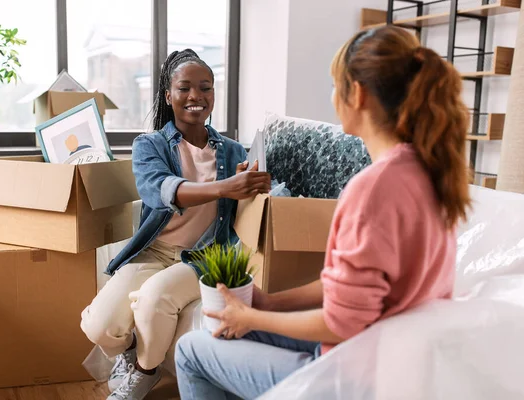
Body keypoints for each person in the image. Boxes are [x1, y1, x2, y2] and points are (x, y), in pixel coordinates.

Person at [175, 25, 471, 400]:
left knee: (191, 351)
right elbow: (348, 290)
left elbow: (344, 323)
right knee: (218, 336)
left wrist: (249, 317)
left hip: (352, 377)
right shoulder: (429, 171)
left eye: (336, 85)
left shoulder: (375, 188)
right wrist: (268, 304)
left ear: (358, 93)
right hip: (393, 363)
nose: (333, 97)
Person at [79, 49, 271, 400]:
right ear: (169, 96)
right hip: (155, 251)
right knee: (98, 325)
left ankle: (144, 372)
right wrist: (227, 186)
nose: (196, 96)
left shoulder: (232, 151)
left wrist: (248, 186)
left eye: (206, 88)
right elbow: (162, 191)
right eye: (185, 88)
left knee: (154, 299)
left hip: (203, 256)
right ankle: (132, 350)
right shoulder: (149, 146)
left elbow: (244, 213)